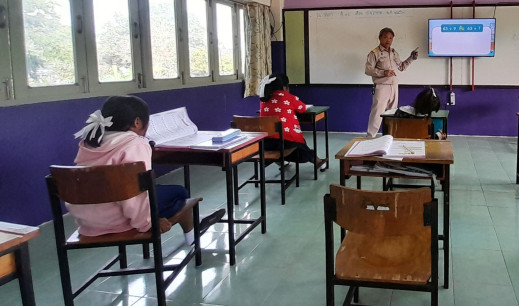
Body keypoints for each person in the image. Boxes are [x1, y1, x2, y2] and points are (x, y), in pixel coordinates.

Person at [71, 95, 224, 244]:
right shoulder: (135, 144)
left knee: (156, 190)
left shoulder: (89, 142)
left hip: (88, 222)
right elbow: (132, 195)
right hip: (117, 220)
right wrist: (149, 223)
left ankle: (195, 227)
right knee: (179, 193)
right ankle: (193, 228)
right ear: (137, 122)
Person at [258, 73, 327, 171]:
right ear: (285, 87)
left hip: (266, 142)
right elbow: (302, 108)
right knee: (300, 146)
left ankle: (280, 161)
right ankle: (318, 162)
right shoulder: (289, 97)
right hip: (287, 142)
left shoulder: (263, 100)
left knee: (280, 141)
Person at [365, 27, 418, 137]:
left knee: (392, 112)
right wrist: (383, 72)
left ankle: (389, 136)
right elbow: (368, 70)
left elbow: (401, 66)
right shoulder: (374, 53)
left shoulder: (394, 53)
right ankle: (370, 137)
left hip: (394, 86)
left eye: (390, 38)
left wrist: (411, 58)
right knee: (377, 112)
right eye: (385, 37)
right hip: (381, 86)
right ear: (380, 38)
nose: (388, 40)